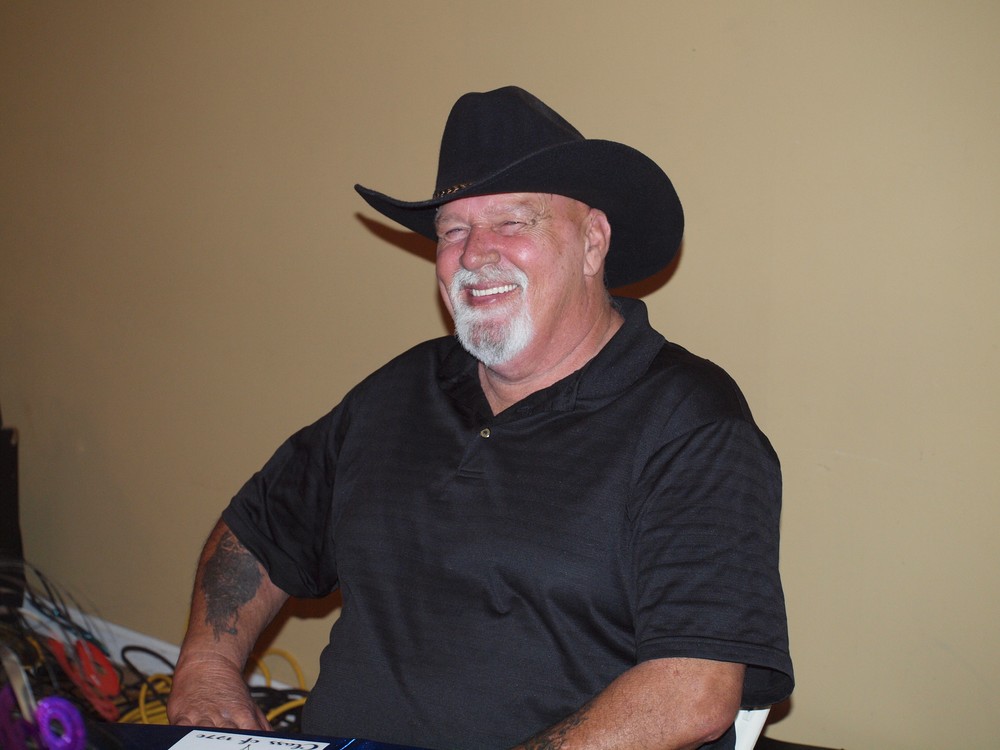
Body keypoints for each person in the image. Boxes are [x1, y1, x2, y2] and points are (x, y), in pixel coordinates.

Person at [167, 86, 793, 750]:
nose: (473, 254)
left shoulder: (691, 424)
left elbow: (693, 690)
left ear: (592, 243)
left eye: (512, 223)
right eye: (453, 231)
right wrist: (207, 671)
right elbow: (258, 532)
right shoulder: (399, 392)